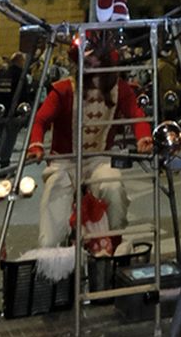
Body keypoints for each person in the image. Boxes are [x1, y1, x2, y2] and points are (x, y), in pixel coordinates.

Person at [28, 56, 151, 262]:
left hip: (99, 158)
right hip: (65, 160)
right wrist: (36, 143)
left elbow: (136, 114)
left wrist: (143, 137)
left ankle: (113, 244)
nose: (95, 69)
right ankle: (50, 254)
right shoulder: (64, 89)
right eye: (90, 63)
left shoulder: (120, 89)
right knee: (55, 194)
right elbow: (40, 119)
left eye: (100, 63)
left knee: (113, 186)